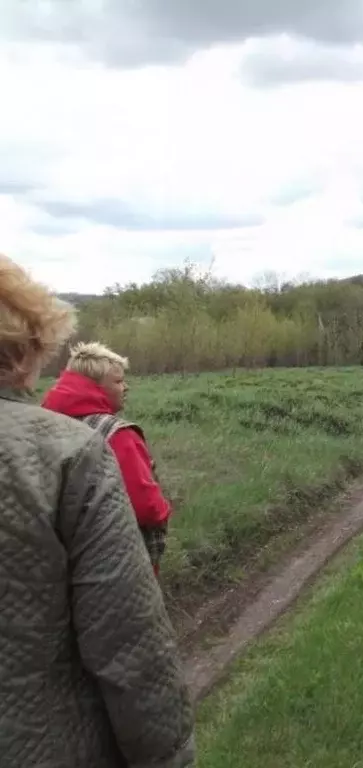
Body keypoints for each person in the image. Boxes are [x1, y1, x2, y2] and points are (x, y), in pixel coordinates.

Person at [0, 254, 195, 766]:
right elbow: (130, 652)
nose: (125, 388)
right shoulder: (72, 450)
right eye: (118, 381)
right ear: (22, 351)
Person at [42, 341, 172, 577]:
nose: (126, 387)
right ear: (94, 387)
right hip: (118, 563)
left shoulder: (43, 423)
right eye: (119, 381)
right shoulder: (118, 434)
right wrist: (164, 511)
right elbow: (147, 508)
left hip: (53, 560)